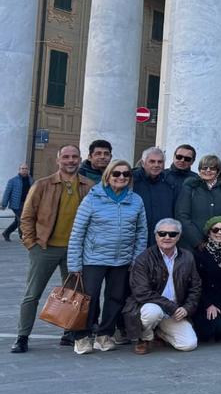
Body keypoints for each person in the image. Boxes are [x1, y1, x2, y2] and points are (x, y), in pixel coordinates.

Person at [12, 145, 92, 353]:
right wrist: (31, 243)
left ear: (80, 159)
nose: (70, 160)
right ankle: (22, 336)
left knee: (75, 295)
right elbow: (27, 216)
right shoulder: (42, 185)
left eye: (74, 157)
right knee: (32, 294)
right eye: (66, 157)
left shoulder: (88, 186)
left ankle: (69, 333)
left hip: (74, 250)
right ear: (58, 160)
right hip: (45, 247)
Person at [66, 160, 148, 354]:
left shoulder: (136, 200)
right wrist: (74, 264)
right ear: (108, 176)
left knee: (116, 298)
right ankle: (82, 336)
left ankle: (105, 335)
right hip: (93, 258)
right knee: (88, 299)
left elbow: (141, 232)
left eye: (126, 174)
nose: (121, 177)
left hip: (122, 260)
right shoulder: (92, 198)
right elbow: (78, 232)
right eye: (116, 174)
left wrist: (136, 259)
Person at [123, 218, 201, 354]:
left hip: (174, 311)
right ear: (156, 235)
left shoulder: (187, 257)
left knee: (189, 344)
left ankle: (159, 333)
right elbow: (141, 292)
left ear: (178, 237)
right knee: (153, 312)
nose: (167, 237)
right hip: (148, 307)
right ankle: (145, 337)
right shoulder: (143, 259)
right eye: (162, 233)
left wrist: (187, 308)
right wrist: (171, 306)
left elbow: (196, 287)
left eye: (172, 234)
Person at [176, 155, 221, 249]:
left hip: (218, 244)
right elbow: (182, 216)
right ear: (199, 170)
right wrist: (198, 241)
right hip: (192, 245)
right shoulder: (190, 187)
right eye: (204, 168)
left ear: (217, 172)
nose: (208, 170)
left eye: (212, 168)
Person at [193, 216, 221, 343]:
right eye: (215, 230)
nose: (219, 233)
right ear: (209, 233)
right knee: (208, 334)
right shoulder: (199, 253)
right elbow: (196, 283)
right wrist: (208, 304)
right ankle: (217, 325)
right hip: (205, 300)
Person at [132, 147, 179, 246]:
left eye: (160, 162)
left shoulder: (170, 183)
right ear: (143, 163)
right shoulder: (131, 181)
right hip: (135, 239)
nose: (156, 165)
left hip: (162, 239)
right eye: (152, 161)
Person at [2, 163, 31, 241]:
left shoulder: (31, 180)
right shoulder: (12, 181)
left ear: (28, 170)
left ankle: (6, 233)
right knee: (22, 219)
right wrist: (3, 204)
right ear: (19, 170)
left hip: (27, 204)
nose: (24, 170)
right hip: (16, 204)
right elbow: (7, 193)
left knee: (17, 220)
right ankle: (22, 237)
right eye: (22, 168)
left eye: (26, 169)